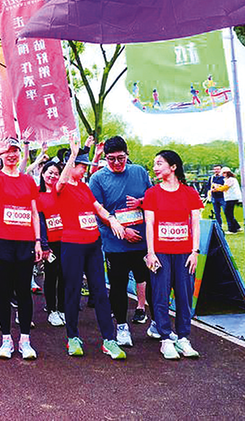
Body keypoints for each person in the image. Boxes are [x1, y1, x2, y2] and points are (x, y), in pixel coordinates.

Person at [55, 136, 126, 360]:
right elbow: (61, 182)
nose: (85, 169)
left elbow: (99, 208)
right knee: (73, 291)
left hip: (93, 245)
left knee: (100, 292)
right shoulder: (63, 187)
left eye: (86, 166)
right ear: (72, 166)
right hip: (72, 246)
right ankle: (73, 337)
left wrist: (112, 220)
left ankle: (109, 340)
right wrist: (74, 154)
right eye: (82, 166)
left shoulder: (85, 188)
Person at [88, 136, 153, 348]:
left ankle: (157, 323)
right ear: (105, 158)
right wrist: (123, 232)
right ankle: (122, 326)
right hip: (116, 243)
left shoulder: (139, 172)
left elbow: (153, 199)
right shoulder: (97, 179)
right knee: (118, 285)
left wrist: (141, 202)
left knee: (150, 282)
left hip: (143, 242)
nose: (117, 163)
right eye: (111, 159)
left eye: (121, 158)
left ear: (127, 155)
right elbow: (98, 212)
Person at [0, 134, 43, 360]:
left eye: (15, 151)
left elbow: (34, 213)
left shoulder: (28, 180)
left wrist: (38, 240)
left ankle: (25, 340)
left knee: (24, 291)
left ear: (20, 154)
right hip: (1, 241)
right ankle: (6, 340)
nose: (11, 155)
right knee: (3, 291)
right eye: (7, 151)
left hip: (25, 242)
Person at [144, 150, 203, 359]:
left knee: (184, 296)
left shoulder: (190, 193)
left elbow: (196, 224)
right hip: (160, 253)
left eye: (159, 163)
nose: (155, 168)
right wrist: (151, 253)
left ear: (173, 166)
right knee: (160, 295)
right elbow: (149, 224)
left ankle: (183, 338)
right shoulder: (152, 194)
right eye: (154, 164)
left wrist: (195, 251)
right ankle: (166, 339)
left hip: (185, 253)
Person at [37, 161, 65, 328]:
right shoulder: (38, 195)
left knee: (64, 275)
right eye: (50, 172)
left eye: (56, 173)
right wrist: (44, 245)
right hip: (50, 243)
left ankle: (62, 308)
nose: (52, 176)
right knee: (51, 275)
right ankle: (52, 310)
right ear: (43, 173)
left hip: (66, 241)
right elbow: (40, 222)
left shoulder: (62, 192)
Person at [219, 167, 242, 233]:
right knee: (229, 213)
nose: (223, 175)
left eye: (224, 173)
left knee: (228, 213)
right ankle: (237, 226)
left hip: (231, 198)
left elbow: (224, 188)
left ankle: (232, 229)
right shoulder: (229, 179)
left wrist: (216, 189)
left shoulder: (230, 179)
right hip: (230, 198)